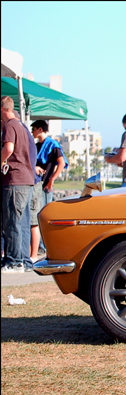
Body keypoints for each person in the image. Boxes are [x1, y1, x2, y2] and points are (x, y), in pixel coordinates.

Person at [1, 96, 35, 273]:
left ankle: (14, 262)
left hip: (15, 180)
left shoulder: (9, 126)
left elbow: (8, 149)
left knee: (12, 222)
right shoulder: (21, 126)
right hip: (26, 179)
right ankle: (23, 260)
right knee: (22, 222)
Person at [31, 120, 67, 259]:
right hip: (36, 184)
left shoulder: (52, 144)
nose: (33, 132)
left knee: (43, 215)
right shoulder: (35, 145)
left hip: (45, 185)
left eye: (34, 129)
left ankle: (45, 246)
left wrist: (52, 179)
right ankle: (39, 246)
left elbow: (62, 163)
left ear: (40, 129)